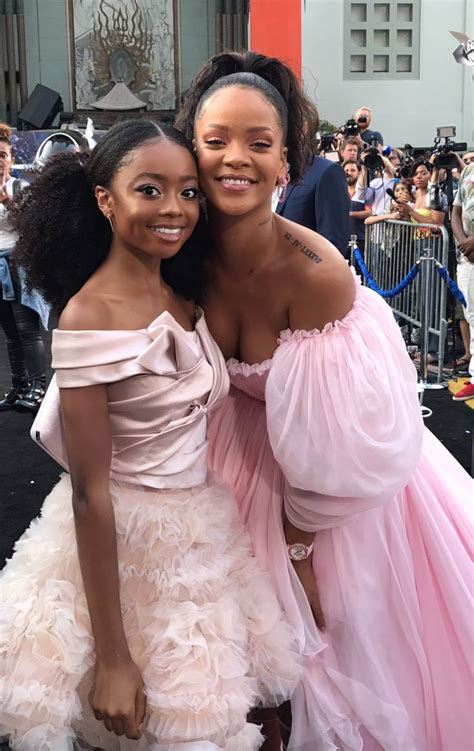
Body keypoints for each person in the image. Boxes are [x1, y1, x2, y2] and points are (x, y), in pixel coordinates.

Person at [176, 50, 472, 751]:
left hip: (318, 486)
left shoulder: (316, 275)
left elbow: (333, 461)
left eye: (258, 143)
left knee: (326, 657)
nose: (234, 159)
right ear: (192, 151)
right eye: (215, 142)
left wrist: (300, 557)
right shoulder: (177, 249)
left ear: (287, 162)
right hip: (214, 457)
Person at [0, 120, 299, 750]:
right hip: (127, 551)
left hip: (202, 537)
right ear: (106, 200)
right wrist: (113, 656)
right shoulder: (89, 317)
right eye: (150, 189)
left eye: (189, 192)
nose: (175, 209)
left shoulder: (182, 292)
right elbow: (89, 492)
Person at [0, 123, 48, 411]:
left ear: (12, 158)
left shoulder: (21, 187)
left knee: (27, 329)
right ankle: (18, 385)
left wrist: (7, 199)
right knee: (10, 332)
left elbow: (35, 223)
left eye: (2, 155)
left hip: (19, 264)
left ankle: (38, 387)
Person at [451, 162, 474, 401]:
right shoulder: (469, 170)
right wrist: (463, 243)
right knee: (471, 315)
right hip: (467, 258)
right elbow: (455, 211)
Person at [343, 159, 371, 254]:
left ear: (359, 173)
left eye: (352, 170)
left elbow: (369, 212)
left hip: (359, 238)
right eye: (346, 170)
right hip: (342, 237)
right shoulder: (339, 190)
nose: (349, 173)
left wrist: (351, 214)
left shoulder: (364, 192)